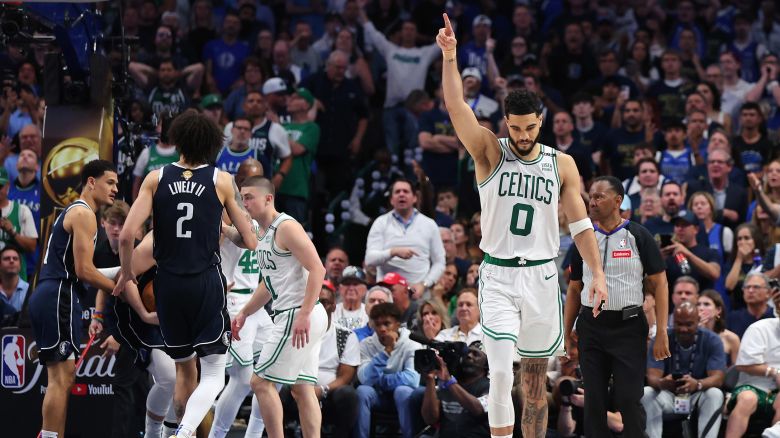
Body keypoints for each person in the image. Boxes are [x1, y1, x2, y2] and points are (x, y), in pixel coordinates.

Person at [437, 14, 608, 438]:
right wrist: (450, 56)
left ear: (541, 121)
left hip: (541, 275)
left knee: (533, 382)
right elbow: (457, 107)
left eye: (530, 127)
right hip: (498, 273)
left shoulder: (561, 163)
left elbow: (582, 223)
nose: (523, 135)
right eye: (516, 128)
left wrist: (597, 272)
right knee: (499, 372)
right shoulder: (490, 151)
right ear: (507, 124)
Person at [115, 110, 257, 438]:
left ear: (177, 140)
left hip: (168, 285)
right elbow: (248, 239)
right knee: (213, 373)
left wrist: (128, 273)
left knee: (183, 370)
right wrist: (225, 226)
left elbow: (125, 236)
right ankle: (185, 431)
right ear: (210, 144)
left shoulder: (155, 177)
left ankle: (182, 430)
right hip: (205, 283)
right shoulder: (220, 180)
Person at [564, 176, 670, 437]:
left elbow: (661, 284)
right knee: (594, 401)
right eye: (591, 196)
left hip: (629, 326)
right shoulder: (582, 238)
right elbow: (575, 288)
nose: (593, 201)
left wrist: (663, 332)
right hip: (592, 325)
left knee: (628, 398)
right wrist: (565, 333)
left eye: (600, 196)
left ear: (618, 201)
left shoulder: (638, 235)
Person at [226, 176, 328, 438]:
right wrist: (245, 313)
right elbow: (269, 283)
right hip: (306, 313)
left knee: (259, 382)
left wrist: (303, 314)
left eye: (249, 197)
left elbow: (318, 268)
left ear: (268, 198)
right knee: (302, 388)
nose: (244, 203)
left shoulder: (286, 227)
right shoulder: (261, 232)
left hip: (299, 313)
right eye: (242, 197)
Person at [28, 159, 119, 438]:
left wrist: (121, 273)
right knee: (60, 379)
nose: (115, 188)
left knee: (63, 377)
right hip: (59, 295)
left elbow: (78, 267)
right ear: (91, 182)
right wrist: (120, 289)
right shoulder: (84, 214)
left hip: (51, 293)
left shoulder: (75, 212)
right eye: (110, 182)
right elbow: (84, 271)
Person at [209, 178, 274, 438]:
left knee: (272, 375)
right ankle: (217, 434)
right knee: (242, 379)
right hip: (232, 302)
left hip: (257, 304)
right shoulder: (216, 226)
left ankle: (255, 434)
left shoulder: (260, 225)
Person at [281, 284, 360, 437]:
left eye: (323, 302)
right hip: (297, 386)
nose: (318, 306)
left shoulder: (346, 335)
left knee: (348, 394)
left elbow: (346, 376)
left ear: (333, 307)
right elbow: (287, 365)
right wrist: (302, 389)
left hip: (329, 391)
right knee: (278, 388)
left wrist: (322, 390)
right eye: (314, 301)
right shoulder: (295, 330)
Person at [641, 302, 726, 438]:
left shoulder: (712, 340)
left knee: (715, 394)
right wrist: (663, 383)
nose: (683, 329)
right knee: (646, 392)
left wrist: (698, 384)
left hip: (696, 396)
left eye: (689, 324)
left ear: (698, 321)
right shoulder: (661, 339)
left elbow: (718, 377)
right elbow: (652, 377)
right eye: (679, 324)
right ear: (672, 321)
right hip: (668, 395)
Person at [365, 178, 445, 298]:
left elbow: (439, 262)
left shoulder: (429, 224)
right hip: (387, 293)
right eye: (397, 192)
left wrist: (424, 284)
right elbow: (370, 259)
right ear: (391, 200)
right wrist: (393, 252)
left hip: (418, 293)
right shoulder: (380, 223)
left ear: (415, 198)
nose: (401, 194)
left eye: (406, 191)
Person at [354, 302, 422, 438]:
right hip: (377, 397)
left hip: (402, 397)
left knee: (403, 390)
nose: (382, 329)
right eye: (378, 325)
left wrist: (380, 381)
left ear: (397, 324)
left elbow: (412, 379)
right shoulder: (366, 345)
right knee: (362, 391)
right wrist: (386, 352)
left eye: (387, 324)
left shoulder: (412, 343)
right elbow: (365, 379)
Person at [725, 286, 780, 438]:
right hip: (754, 386)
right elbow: (742, 364)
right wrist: (773, 372)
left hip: (778, 393)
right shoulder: (760, 328)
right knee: (747, 399)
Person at [421, 341, 491, 438]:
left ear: (486, 364)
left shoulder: (491, 387)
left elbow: (478, 408)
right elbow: (430, 419)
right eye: (467, 353)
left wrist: (449, 381)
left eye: (475, 354)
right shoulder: (446, 384)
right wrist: (430, 380)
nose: (469, 356)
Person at [697, 290, 741, 365]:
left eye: (706, 304)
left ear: (718, 310)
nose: (701, 308)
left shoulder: (731, 338)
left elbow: (735, 371)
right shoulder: (691, 335)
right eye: (698, 304)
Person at [726, 273, 775, 338]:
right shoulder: (732, 318)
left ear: (768, 293)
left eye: (756, 287)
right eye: (747, 287)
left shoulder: (775, 317)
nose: (750, 290)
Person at [334, 265, 369, 331]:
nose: (351, 288)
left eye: (355, 284)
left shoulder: (369, 313)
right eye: (347, 284)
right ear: (339, 288)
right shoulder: (332, 310)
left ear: (365, 289)